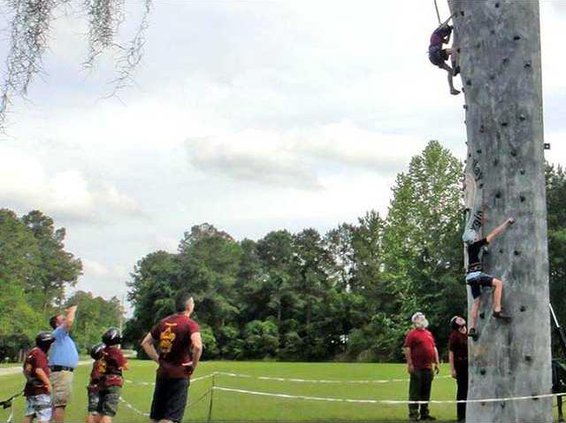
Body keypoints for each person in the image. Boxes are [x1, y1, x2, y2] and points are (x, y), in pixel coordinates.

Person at [141, 292, 203, 423]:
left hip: (163, 373)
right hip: (179, 374)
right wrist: (193, 365)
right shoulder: (190, 324)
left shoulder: (163, 322)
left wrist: (159, 360)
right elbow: (197, 346)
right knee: (171, 418)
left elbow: (146, 343)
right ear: (189, 306)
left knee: (156, 417)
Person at [463, 217, 515, 340]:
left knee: (476, 302)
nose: (477, 235)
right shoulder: (477, 244)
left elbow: (472, 229)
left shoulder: (469, 248)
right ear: (474, 238)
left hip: (470, 277)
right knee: (498, 283)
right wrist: (506, 222)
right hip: (477, 274)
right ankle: (497, 309)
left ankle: (472, 328)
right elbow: (494, 233)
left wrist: (479, 220)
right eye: (475, 235)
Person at [403, 312, 439, 421]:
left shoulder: (428, 333)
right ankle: (413, 414)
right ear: (415, 321)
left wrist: (436, 362)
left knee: (426, 391)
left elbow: (433, 348)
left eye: (423, 317)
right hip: (417, 367)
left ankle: (424, 413)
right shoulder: (412, 334)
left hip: (428, 367)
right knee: (415, 391)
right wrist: (410, 364)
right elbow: (407, 348)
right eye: (419, 318)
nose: (422, 319)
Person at [48, 305, 79, 423]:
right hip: (61, 373)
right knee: (60, 405)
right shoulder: (59, 333)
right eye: (62, 319)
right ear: (57, 324)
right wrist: (72, 310)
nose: (65, 320)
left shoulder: (62, 336)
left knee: (54, 404)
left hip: (61, 373)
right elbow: (70, 322)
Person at [23, 332, 56, 423]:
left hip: (31, 390)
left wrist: (31, 380)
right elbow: (39, 370)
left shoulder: (32, 352)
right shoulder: (39, 353)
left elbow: (26, 370)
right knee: (44, 416)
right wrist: (48, 384)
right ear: (46, 344)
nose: (52, 347)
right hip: (41, 390)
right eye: (51, 344)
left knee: (29, 414)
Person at [97, 328, 128, 423]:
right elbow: (125, 366)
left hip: (102, 382)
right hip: (113, 383)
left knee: (100, 411)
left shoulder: (103, 351)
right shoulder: (116, 351)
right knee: (108, 413)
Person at [428, 22, 460, 95]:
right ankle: (455, 67)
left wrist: (449, 33)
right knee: (453, 50)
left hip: (434, 59)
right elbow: (441, 29)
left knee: (450, 71)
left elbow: (446, 42)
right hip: (436, 54)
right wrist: (447, 28)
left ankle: (452, 89)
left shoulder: (438, 37)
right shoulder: (435, 35)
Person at [448, 316, 468, 423]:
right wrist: (452, 369)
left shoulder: (468, 331)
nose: (460, 319)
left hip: (469, 364)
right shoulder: (454, 336)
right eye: (457, 319)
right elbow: (451, 352)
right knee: (462, 390)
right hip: (460, 364)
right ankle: (461, 416)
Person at [85, 343, 105, 423]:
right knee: (94, 412)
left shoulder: (96, 363)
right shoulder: (100, 364)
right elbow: (97, 377)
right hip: (97, 389)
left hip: (93, 389)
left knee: (95, 411)